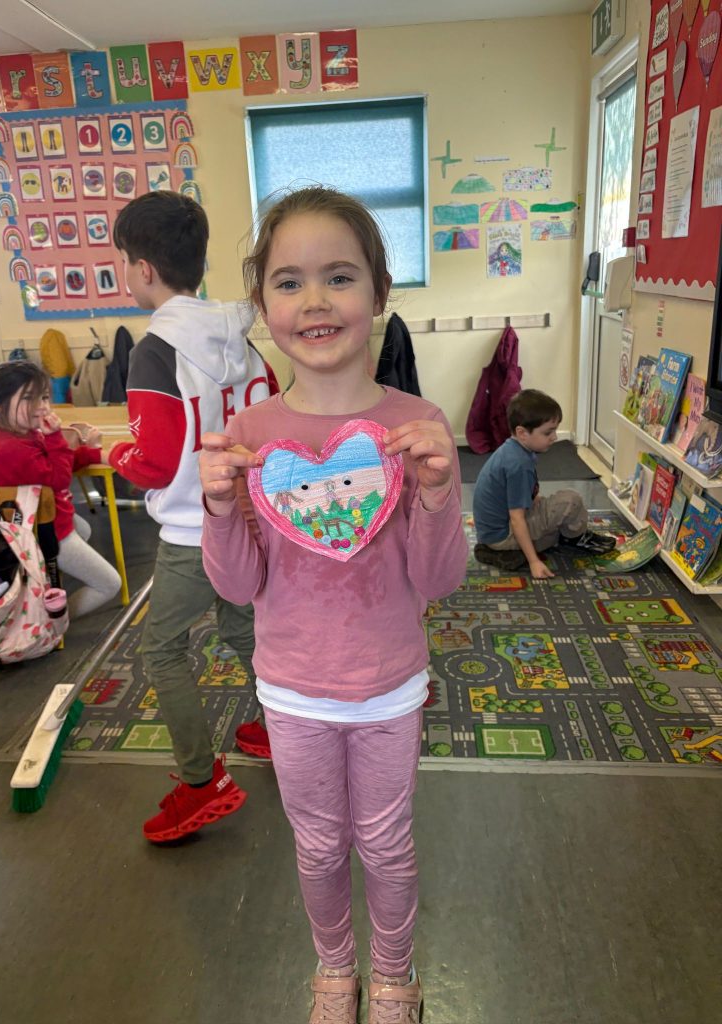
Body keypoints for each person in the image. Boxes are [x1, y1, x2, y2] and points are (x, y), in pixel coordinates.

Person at [199, 186, 467, 1024]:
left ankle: (394, 973)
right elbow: (237, 586)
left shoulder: (417, 425)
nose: (314, 300)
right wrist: (217, 507)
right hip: (291, 689)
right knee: (316, 844)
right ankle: (334, 967)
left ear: (379, 294)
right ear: (263, 305)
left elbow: (439, 580)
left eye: (339, 277)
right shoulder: (251, 434)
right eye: (289, 281)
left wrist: (437, 494)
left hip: (388, 686)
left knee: (385, 842)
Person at [108, 190, 278, 844]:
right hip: (247, 519)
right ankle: (280, 726)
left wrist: (111, 452)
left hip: (190, 533)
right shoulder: (243, 339)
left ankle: (202, 783)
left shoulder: (155, 351)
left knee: (162, 650)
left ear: (144, 268)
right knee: (242, 626)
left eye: (125, 261)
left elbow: (152, 465)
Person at [0, 360, 121, 617]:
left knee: (84, 529)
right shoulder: (12, 448)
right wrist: (56, 437)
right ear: (0, 405)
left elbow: (56, 464)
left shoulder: (20, 435)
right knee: (109, 584)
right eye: (28, 398)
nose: (42, 406)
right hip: (42, 531)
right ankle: (50, 621)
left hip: (47, 521)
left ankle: (47, 582)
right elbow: (59, 479)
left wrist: (94, 454)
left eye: (44, 397)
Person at [472, 388, 616, 579]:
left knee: (554, 526)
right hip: (503, 534)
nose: (554, 437)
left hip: (492, 531)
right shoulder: (519, 464)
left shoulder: (513, 450)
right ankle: (575, 538)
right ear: (522, 433)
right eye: (548, 432)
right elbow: (517, 519)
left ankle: (504, 550)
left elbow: (519, 496)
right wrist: (534, 561)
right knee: (571, 501)